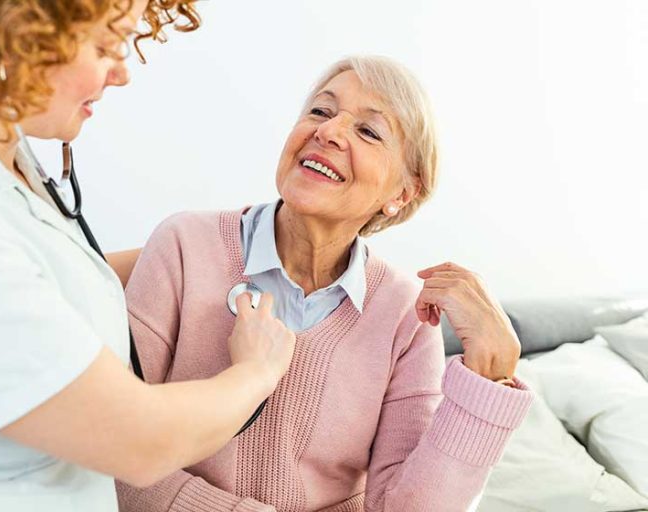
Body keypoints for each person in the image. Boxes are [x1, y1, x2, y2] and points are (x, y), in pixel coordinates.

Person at [0, 1, 295, 509]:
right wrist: (257, 371)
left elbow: (52, 275)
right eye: (104, 45)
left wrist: (202, 246)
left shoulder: (1, 153)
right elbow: (141, 442)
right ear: (13, 32)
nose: (121, 73)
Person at [117, 56, 534, 512]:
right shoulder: (184, 246)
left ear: (401, 194)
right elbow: (118, 450)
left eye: (369, 131)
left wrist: (488, 376)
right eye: (320, 111)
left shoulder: (406, 315)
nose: (329, 131)